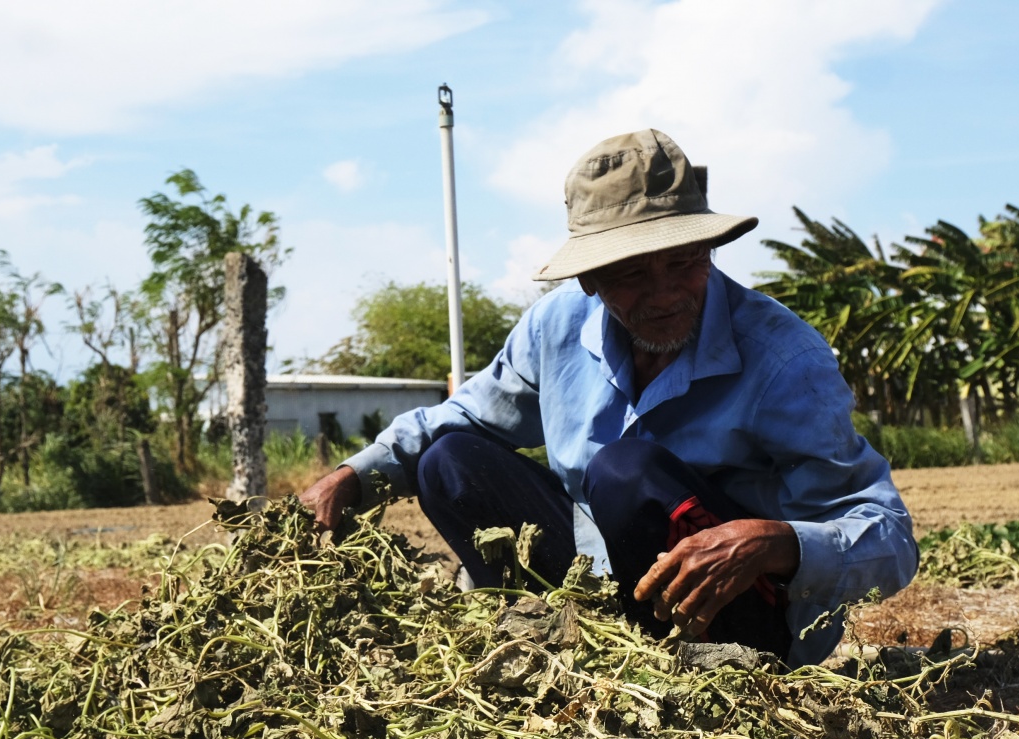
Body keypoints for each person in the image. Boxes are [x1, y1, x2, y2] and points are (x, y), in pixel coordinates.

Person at [301, 129, 916, 665]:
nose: (666, 293)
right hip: (595, 601)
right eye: (632, 275)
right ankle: (551, 650)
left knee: (626, 468)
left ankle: (695, 673)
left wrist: (775, 543)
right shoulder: (555, 326)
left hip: (730, 622)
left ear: (710, 250)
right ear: (590, 280)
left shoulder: (785, 359)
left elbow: (889, 535)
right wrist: (352, 477)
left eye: (684, 263)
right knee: (450, 460)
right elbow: (463, 416)